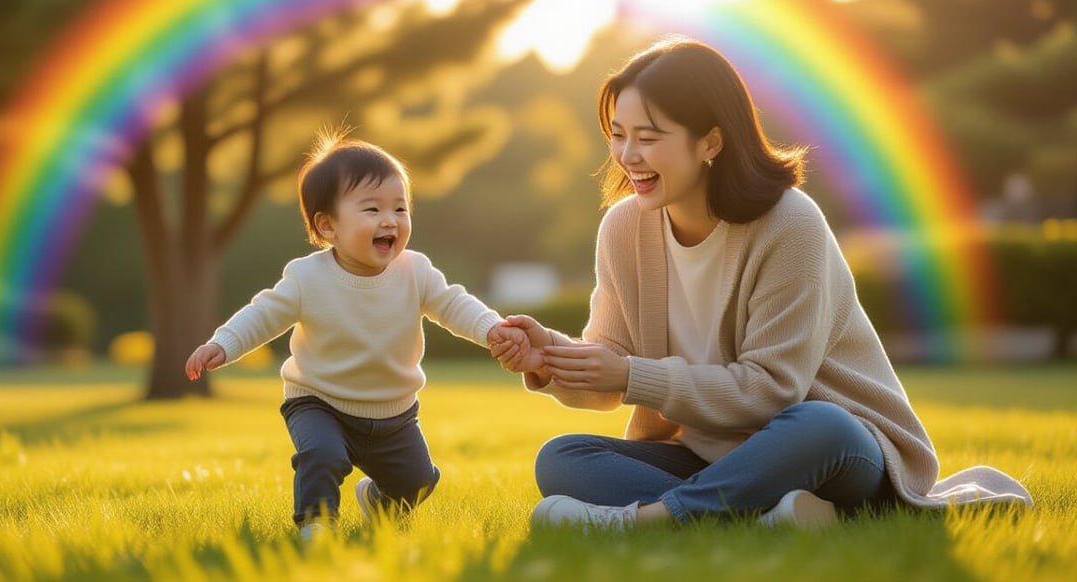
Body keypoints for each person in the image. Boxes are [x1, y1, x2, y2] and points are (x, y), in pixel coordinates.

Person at [493, 36, 1032, 531]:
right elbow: (612, 370)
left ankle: (648, 521)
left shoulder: (789, 223)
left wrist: (631, 374)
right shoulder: (624, 227)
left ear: (710, 142)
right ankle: (768, 515)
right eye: (618, 136)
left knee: (823, 424)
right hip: (710, 453)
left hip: (829, 450)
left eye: (648, 138)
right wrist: (552, 357)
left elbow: (771, 392)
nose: (627, 156)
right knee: (562, 458)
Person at [185, 129, 536, 541]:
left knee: (417, 482)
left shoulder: (415, 270)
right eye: (371, 209)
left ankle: (379, 501)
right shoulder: (307, 277)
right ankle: (317, 526)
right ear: (328, 226)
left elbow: (453, 304)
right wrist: (222, 344)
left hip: (394, 412)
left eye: (400, 209)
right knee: (321, 454)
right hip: (319, 400)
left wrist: (492, 328)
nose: (390, 220)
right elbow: (263, 314)